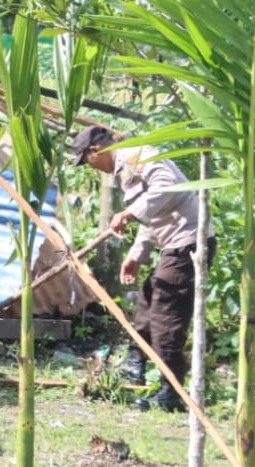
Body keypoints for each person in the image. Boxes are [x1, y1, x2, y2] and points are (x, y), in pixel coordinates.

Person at [72, 125, 214, 412]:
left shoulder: (137, 155)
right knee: (148, 300)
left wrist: (128, 213)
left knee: (167, 317)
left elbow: (168, 187)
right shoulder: (126, 168)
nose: (90, 167)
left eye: (86, 160)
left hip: (189, 244)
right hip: (174, 244)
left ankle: (171, 392)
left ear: (95, 151)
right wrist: (137, 254)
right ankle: (135, 364)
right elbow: (153, 217)